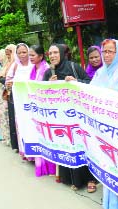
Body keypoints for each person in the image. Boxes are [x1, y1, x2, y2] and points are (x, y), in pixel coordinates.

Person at [43, 43, 92, 191]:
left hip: (75, 116)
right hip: (59, 118)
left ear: (62, 53)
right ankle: (70, 178)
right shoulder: (48, 73)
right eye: (50, 53)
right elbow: (41, 94)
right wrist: (48, 85)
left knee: (79, 145)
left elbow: (89, 83)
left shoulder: (73, 67)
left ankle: (88, 179)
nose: (52, 56)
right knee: (65, 144)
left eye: (55, 53)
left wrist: (76, 82)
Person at [91, 39, 118, 209]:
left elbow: (114, 98)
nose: (106, 55)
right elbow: (91, 92)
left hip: (117, 126)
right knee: (105, 161)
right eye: (104, 51)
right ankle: (109, 201)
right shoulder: (100, 72)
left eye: (110, 51)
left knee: (116, 164)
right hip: (101, 125)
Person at [28, 44, 56, 177]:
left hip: (46, 109)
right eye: (30, 55)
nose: (30, 57)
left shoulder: (46, 69)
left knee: (47, 137)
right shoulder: (33, 69)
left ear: (40, 56)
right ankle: (41, 163)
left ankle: (50, 166)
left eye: (33, 55)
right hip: (36, 108)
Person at [6, 43, 33, 152]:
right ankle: (24, 150)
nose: (22, 55)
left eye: (24, 52)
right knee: (22, 123)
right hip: (20, 101)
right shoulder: (15, 66)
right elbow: (8, 80)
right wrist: (9, 84)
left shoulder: (34, 64)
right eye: (19, 53)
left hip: (32, 100)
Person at [0, 44, 16, 146]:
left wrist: (3, 79)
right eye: (7, 55)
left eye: (10, 54)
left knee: (12, 117)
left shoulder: (16, 64)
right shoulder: (7, 64)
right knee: (7, 117)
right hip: (5, 93)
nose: (8, 56)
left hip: (13, 93)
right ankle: (9, 139)